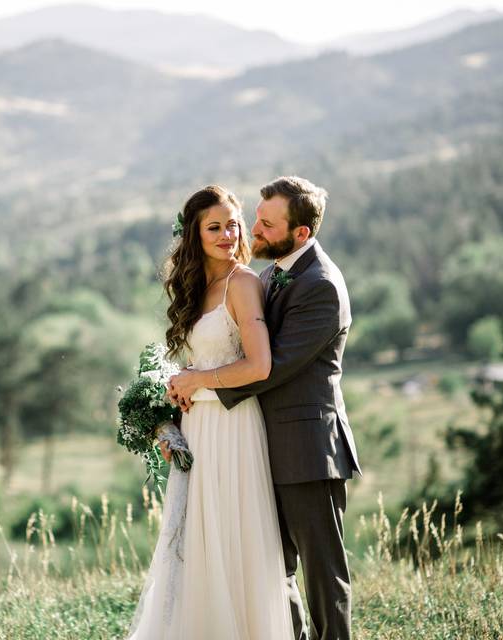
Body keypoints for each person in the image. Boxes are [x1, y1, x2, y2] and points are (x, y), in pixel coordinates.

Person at [168, 176, 361, 640]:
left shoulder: (321, 286)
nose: (252, 229)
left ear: (300, 233)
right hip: (259, 445)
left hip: (308, 449)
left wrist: (198, 387)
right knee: (274, 571)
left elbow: (271, 367)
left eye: (266, 223)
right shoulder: (273, 273)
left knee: (321, 573)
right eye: (255, 217)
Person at [127, 185, 294, 640]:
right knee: (196, 541)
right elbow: (193, 365)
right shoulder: (197, 289)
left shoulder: (242, 284)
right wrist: (167, 417)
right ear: (194, 235)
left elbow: (259, 366)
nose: (226, 234)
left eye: (232, 225)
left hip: (233, 427)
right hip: (198, 426)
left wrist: (197, 381)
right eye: (214, 226)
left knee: (229, 538)